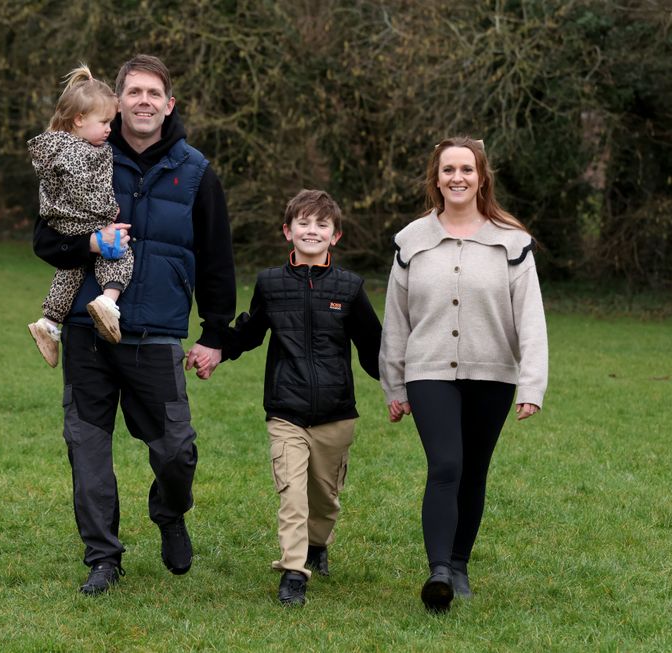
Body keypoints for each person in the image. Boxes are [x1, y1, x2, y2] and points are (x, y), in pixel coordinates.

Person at [32, 54, 236, 595]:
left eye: (154, 93)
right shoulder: (83, 158)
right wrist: (91, 244)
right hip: (86, 329)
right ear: (116, 101)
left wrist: (215, 333)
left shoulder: (195, 171)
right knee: (87, 447)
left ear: (169, 106)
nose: (144, 101)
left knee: (176, 449)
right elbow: (45, 241)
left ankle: (170, 514)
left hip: (158, 334)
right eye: (134, 92)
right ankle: (103, 557)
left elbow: (216, 259)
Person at [379, 136, 548, 613]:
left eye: (467, 170)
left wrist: (531, 384)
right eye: (449, 169)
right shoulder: (410, 241)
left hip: (493, 373)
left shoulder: (512, 242)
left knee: (473, 471)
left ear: (481, 178)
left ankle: (458, 564)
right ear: (436, 178)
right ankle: (437, 573)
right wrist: (394, 383)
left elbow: (530, 318)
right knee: (446, 465)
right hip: (428, 370)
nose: (458, 177)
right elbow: (396, 321)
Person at [213, 189, 381, 606]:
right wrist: (217, 348)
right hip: (286, 410)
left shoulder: (350, 287)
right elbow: (250, 333)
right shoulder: (270, 284)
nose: (312, 230)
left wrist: (400, 386)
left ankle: (317, 545)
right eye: (303, 223)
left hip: (336, 413)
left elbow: (374, 348)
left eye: (321, 224)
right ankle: (293, 571)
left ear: (335, 236)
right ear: (287, 231)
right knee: (291, 494)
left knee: (323, 498)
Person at [27, 64, 135, 366]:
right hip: (83, 217)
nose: (109, 130)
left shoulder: (55, 146)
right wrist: (107, 212)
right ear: (79, 119)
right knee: (119, 252)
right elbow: (81, 186)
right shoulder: (79, 151)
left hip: (62, 220)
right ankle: (107, 302)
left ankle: (48, 322)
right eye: (104, 122)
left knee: (72, 269)